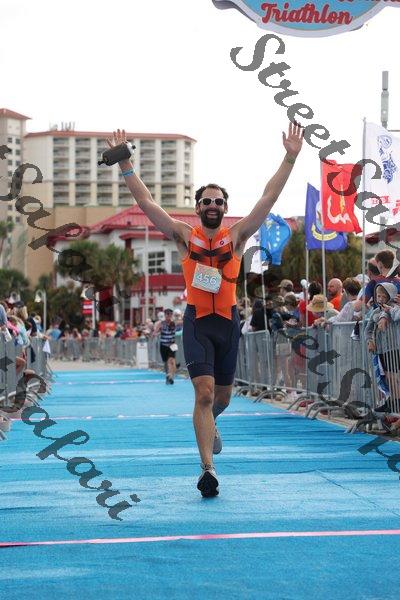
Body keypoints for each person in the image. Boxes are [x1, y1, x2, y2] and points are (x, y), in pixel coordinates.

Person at [107, 121, 304, 497]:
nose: (212, 205)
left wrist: (290, 158)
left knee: (222, 399)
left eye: (218, 202)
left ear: (225, 208)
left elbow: (268, 198)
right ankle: (207, 470)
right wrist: (125, 163)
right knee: (204, 394)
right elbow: (147, 203)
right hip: (197, 322)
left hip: (228, 323)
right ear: (197, 208)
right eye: (206, 201)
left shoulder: (238, 235)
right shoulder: (183, 236)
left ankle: (209, 424)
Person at [365, 283, 400, 414]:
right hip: (381, 349)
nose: (380, 299)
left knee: (393, 376)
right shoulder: (375, 311)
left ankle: (396, 402)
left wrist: (386, 313)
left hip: (394, 348)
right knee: (386, 377)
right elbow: (368, 329)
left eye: (383, 297)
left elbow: (395, 315)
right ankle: (392, 401)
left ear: (390, 296)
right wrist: (370, 341)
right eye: (378, 296)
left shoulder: (394, 308)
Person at [154, 308, 177, 384]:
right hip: (163, 345)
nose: (168, 315)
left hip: (172, 345)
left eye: (170, 314)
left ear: (171, 315)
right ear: (165, 315)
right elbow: (155, 332)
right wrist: (155, 334)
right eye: (167, 314)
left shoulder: (174, 323)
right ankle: (168, 376)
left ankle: (170, 376)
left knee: (171, 361)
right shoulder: (161, 323)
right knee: (165, 362)